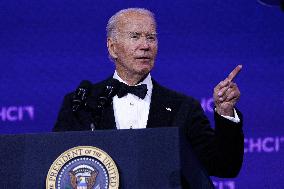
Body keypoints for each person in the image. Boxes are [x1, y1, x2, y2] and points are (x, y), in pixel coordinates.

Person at [53, 8, 244, 179]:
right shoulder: (81, 103)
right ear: (112, 47)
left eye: (151, 37)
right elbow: (58, 164)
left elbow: (224, 167)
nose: (145, 45)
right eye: (135, 37)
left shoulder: (184, 107)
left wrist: (225, 113)